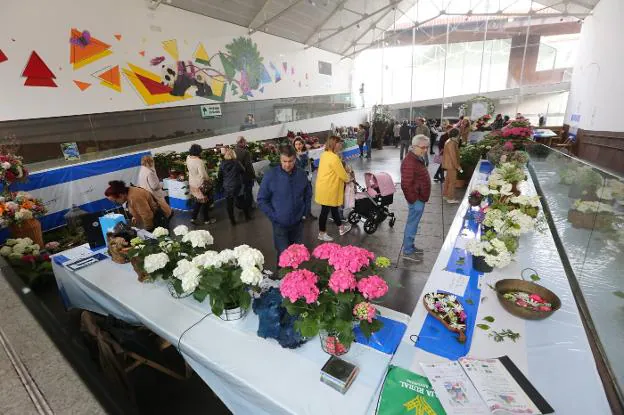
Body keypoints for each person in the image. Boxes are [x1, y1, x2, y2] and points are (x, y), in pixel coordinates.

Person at [258, 145, 312, 262]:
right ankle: (282, 278)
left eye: (291, 161)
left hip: (298, 223)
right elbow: (262, 200)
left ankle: (296, 279)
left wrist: (304, 213)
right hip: (280, 225)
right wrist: (275, 217)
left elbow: (308, 194)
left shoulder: (302, 174)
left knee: (297, 256)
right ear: (280, 159)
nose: (287, 164)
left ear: (295, 159)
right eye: (284, 161)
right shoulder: (270, 176)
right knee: (283, 257)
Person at [400, 134, 431, 262]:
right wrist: (414, 200)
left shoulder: (416, 157)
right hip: (416, 199)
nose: (425, 150)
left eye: (427, 147)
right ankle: (407, 251)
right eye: (423, 147)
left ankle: (411, 247)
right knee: (412, 225)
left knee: (414, 224)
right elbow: (406, 185)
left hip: (419, 198)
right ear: (414, 146)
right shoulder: (410, 161)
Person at [315, 136, 352, 241]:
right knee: (325, 211)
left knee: (334, 209)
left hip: (324, 187)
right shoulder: (334, 157)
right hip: (329, 188)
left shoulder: (325, 155)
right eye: (339, 143)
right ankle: (322, 233)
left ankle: (341, 228)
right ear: (333, 144)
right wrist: (349, 177)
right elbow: (343, 175)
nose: (340, 145)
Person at [105, 180, 172, 232]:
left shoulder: (135, 197)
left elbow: (147, 215)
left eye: (115, 201)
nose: (115, 203)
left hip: (158, 220)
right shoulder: (129, 191)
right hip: (155, 218)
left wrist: (148, 231)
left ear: (121, 195)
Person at [218, 148, 250, 225]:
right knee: (242, 201)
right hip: (237, 185)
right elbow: (243, 170)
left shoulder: (222, 164)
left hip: (227, 186)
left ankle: (232, 221)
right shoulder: (237, 163)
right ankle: (247, 216)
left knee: (229, 204)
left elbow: (220, 176)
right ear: (233, 154)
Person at [186, 144, 216, 225]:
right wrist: (209, 179)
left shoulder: (188, 157)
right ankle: (206, 220)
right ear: (198, 152)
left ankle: (193, 218)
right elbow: (203, 175)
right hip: (200, 184)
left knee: (198, 201)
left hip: (192, 183)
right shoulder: (199, 161)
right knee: (205, 202)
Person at [293, 136, 316, 219]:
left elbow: (310, 166)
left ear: (303, 144)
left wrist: (311, 162)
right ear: (294, 145)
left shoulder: (306, 153)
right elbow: (297, 168)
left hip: (308, 178)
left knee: (309, 195)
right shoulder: (293, 156)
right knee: (301, 197)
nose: (298, 146)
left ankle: (308, 213)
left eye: (300, 144)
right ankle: (302, 214)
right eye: (296, 144)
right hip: (298, 180)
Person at [234, 136, 256, 211]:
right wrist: (253, 175)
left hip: (236, 177)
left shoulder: (233, 151)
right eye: (245, 142)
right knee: (248, 191)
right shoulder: (245, 152)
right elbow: (248, 166)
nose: (246, 143)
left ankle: (240, 206)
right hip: (246, 176)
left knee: (240, 192)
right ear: (241, 142)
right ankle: (249, 206)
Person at [442, 129, 462, 203]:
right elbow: (453, 156)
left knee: (448, 180)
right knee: (452, 181)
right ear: (457, 134)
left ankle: (445, 194)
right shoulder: (452, 143)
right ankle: (450, 198)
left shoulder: (449, 141)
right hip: (452, 165)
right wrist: (457, 166)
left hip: (449, 164)